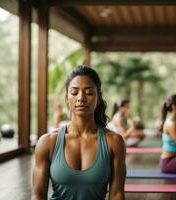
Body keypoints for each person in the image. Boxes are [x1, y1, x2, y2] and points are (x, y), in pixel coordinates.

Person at [32, 65, 126, 200]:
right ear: (66, 98)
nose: (81, 98)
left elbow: (117, 194)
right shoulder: (47, 142)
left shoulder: (114, 142)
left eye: (89, 92)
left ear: (98, 98)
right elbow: (38, 195)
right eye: (74, 92)